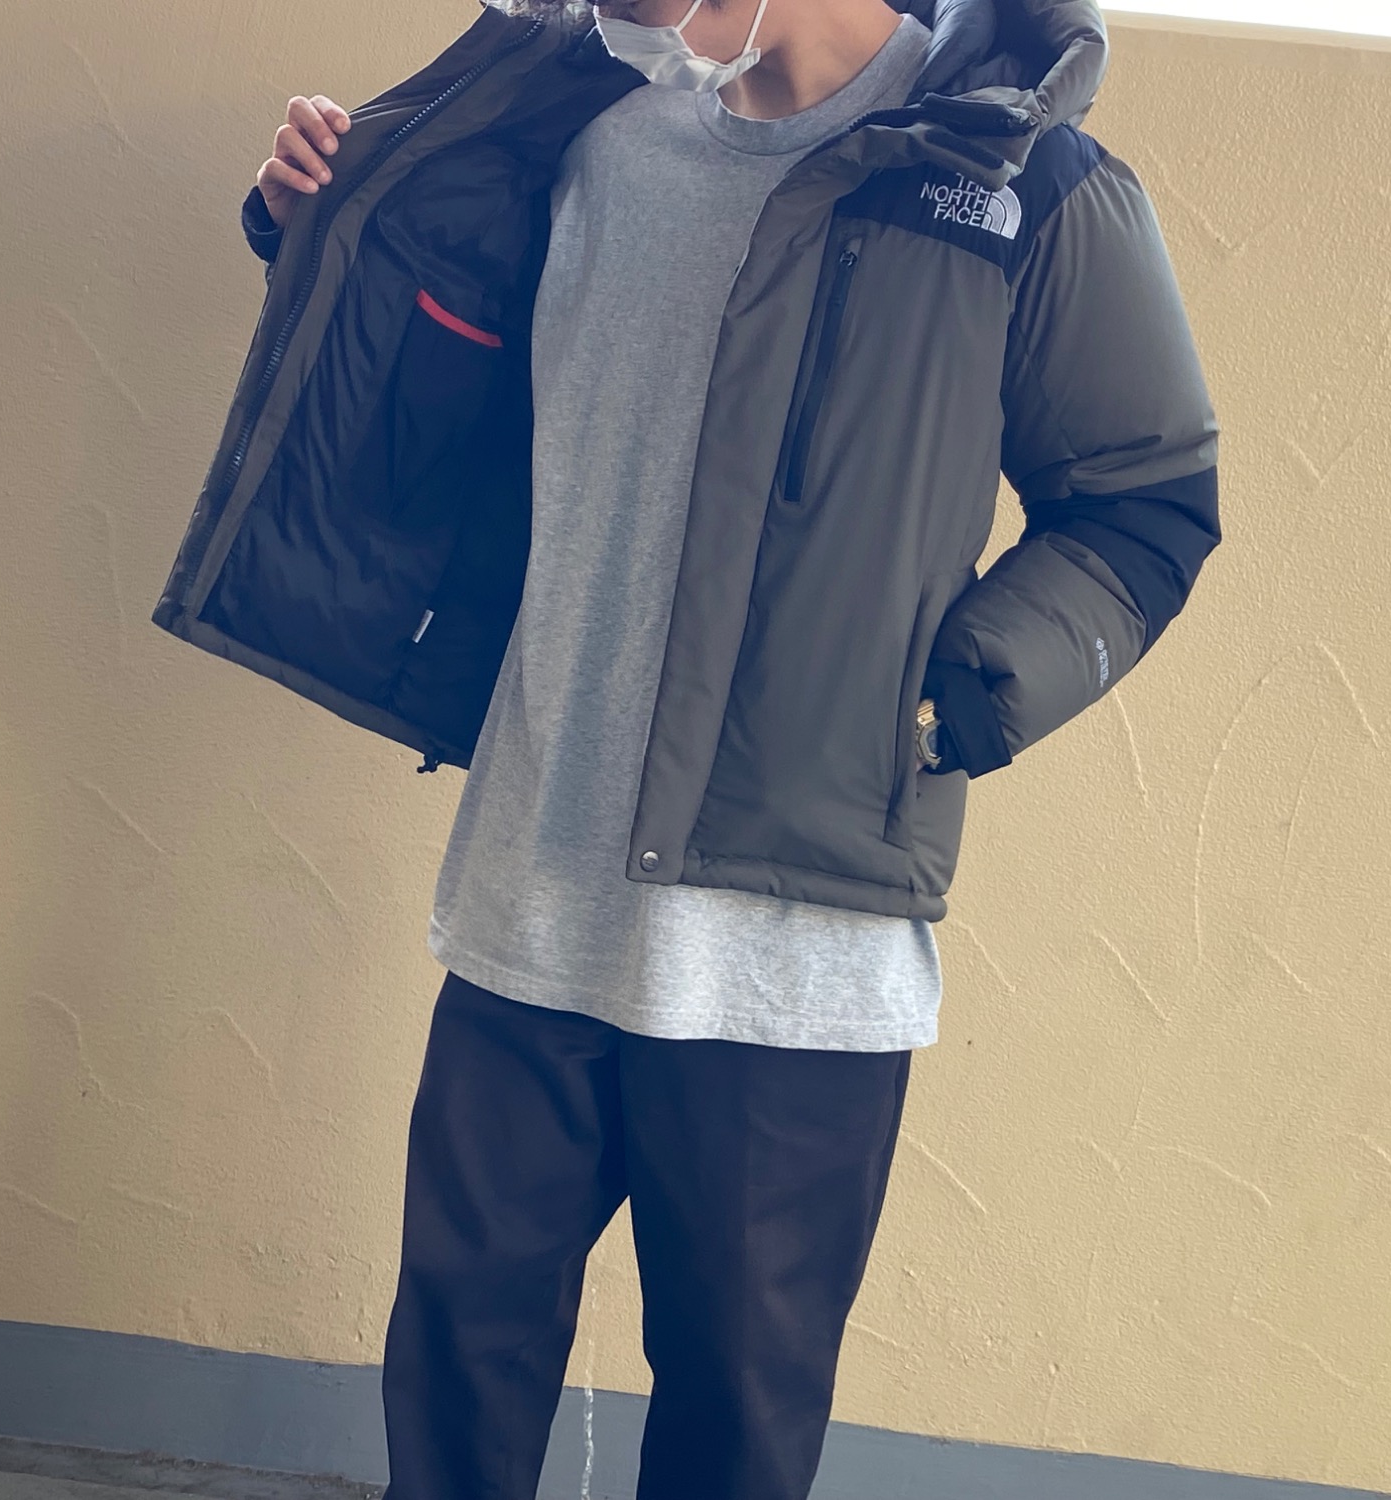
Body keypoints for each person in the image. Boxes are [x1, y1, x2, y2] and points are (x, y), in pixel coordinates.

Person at [152, 0, 1220, 1494]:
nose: (607, 14)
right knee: (451, 1394)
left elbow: (1146, 504)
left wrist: (949, 707)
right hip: (531, 898)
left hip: (796, 956)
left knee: (735, 1435)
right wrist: (321, 222)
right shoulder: (591, 128)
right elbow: (447, 345)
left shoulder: (1016, 183)